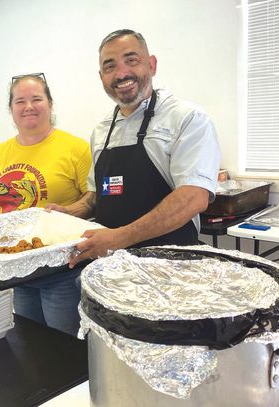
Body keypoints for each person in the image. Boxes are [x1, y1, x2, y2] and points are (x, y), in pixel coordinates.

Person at [61, 29, 220, 268]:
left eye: (131, 60)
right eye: (109, 66)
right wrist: (62, 215)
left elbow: (193, 198)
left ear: (152, 65)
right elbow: (95, 197)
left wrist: (119, 238)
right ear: (101, 77)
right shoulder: (102, 130)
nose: (121, 73)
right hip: (110, 268)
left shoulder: (187, 119)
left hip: (170, 267)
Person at [0, 73, 92, 336]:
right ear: (11, 109)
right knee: (30, 342)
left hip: (61, 270)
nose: (29, 106)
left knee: (64, 347)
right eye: (20, 101)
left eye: (36, 99)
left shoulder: (76, 148)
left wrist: (69, 211)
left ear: (50, 104)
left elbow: (94, 198)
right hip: (15, 271)